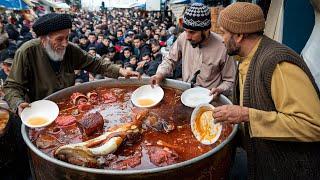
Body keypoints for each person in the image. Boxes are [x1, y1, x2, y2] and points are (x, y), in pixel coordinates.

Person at [212, 2, 320, 179]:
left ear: (239, 35)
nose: (222, 38)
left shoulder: (278, 64)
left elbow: (313, 125)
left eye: (224, 32)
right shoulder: (246, 57)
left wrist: (247, 115)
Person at [4, 13, 139, 116]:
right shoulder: (27, 52)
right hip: (40, 113)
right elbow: (12, 86)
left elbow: (95, 63)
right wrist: (18, 103)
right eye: (59, 39)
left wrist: (120, 71)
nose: (65, 43)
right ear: (44, 39)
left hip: (69, 106)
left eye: (67, 37)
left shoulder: (70, 49)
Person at [150, 3, 235, 97]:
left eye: (192, 32)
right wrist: (160, 74)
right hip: (186, 95)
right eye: (185, 31)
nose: (187, 37)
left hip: (210, 101)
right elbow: (170, 60)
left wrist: (220, 89)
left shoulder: (223, 47)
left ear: (206, 30)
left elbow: (230, 81)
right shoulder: (183, 38)